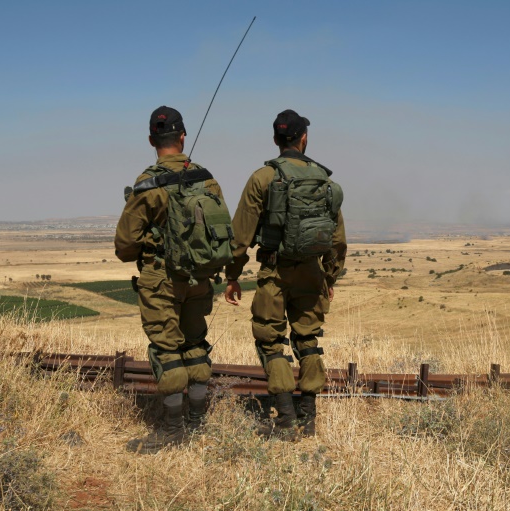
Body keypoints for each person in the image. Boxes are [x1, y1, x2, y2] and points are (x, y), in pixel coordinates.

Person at [224, 109, 346, 439]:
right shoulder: (325, 181)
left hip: (275, 272)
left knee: (271, 341)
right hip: (312, 272)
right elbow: (337, 240)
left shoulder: (263, 178)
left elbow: (241, 235)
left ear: (276, 140)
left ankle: (287, 419)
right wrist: (329, 278)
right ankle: (308, 418)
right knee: (308, 340)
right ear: (304, 139)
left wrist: (232, 276)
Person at [115, 106, 225, 454]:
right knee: (195, 343)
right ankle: (197, 420)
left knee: (167, 349)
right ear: (183, 137)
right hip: (199, 278)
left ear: (151, 140)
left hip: (161, 279)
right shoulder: (206, 179)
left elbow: (124, 246)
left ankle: (173, 430)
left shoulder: (147, 184)